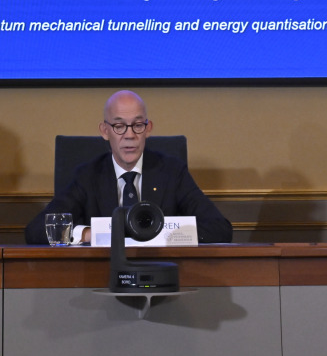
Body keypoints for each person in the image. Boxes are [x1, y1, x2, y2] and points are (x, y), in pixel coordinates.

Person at [24, 90, 231, 244]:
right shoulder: (88, 175)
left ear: (148, 128)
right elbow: (36, 230)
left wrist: (158, 231)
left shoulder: (171, 172)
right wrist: (92, 234)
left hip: (162, 272)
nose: (130, 135)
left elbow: (220, 229)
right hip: (101, 276)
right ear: (105, 131)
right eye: (119, 126)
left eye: (137, 125)